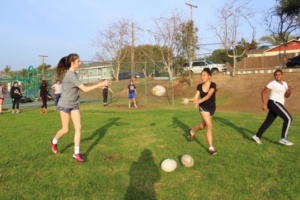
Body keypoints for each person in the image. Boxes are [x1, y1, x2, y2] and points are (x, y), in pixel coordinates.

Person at [50, 53, 110, 162]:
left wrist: (100, 86)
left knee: (78, 128)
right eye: (78, 61)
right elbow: (85, 89)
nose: (80, 63)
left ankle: (76, 153)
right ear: (72, 63)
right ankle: (54, 141)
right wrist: (100, 83)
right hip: (64, 105)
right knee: (65, 129)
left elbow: (81, 89)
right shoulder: (70, 75)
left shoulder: (75, 74)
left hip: (74, 105)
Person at [181, 68, 217, 155]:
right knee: (209, 126)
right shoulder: (199, 86)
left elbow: (209, 95)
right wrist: (188, 100)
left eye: (204, 75)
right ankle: (211, 148)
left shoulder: (213, 85)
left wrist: (198, 101)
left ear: (209, 76)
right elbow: (195, 98)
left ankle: (192, 131)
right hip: (203, 108)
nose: (202, 77)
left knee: (202, 126)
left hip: (212, 108)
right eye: (201, 75)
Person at [253, 69, 293, 146]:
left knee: (268, 121)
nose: (278, 76)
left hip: (279, 104)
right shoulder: (272, 83)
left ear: (282, 75)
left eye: (279, 74)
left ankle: (257, 135)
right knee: (288, 118)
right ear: (274, 76)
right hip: (273, 102)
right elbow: (263, 92)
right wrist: (264, 103)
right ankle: (283, 138)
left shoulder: (285, 84)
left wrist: (289, 91)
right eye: (276, 75)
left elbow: (286, 96)